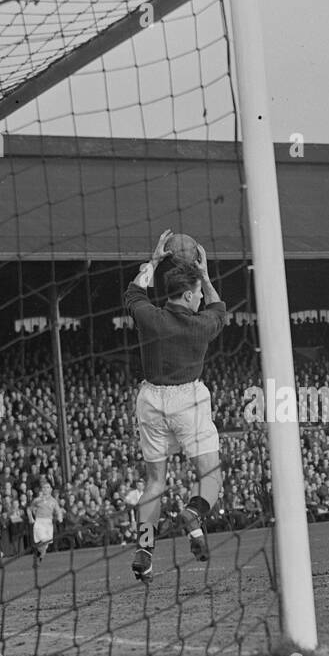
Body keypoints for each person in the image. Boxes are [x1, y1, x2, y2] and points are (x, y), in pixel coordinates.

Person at [124, 230, 228, 582]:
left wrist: (153, 261)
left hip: (150, 400)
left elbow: (134, 292)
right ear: (188, 294)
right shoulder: (202, 326)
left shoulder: (149, 317)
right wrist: (207, 275)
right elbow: (219, 308)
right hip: (189, 400)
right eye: (196, 292)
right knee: (210, 475)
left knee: (154, 483)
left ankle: (144, 549)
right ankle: (194, 514)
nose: (200, 297)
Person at [28, 482, 64, 566]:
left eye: (47, 487)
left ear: (50, 489)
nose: (45, 489)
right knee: (43, 541)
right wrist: (31, 518)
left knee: (45, 545)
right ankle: (38, 558)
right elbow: (29, 509)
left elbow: (58, 510)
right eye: (44, 487)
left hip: (48, 523)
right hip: (39, 522)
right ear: (42, 489)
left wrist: (60, 517)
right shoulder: (37, 500)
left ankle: (38, 558)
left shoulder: (53, 501)